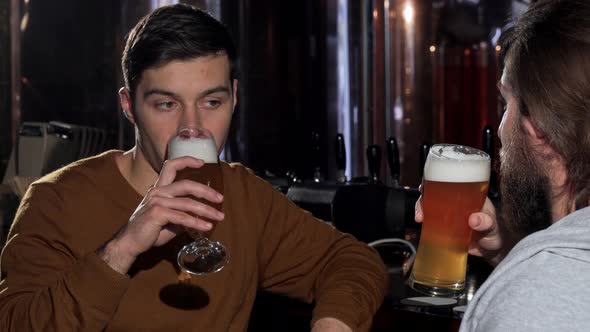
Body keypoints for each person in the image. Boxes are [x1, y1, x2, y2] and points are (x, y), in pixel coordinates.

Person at [0, 4, 388, 332]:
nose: (193, 128)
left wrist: (333, 324)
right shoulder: (56, 200)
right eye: (167, 104)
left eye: (211, 102)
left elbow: (352, 261)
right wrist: (124, 247)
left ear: (234, 98)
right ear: (129, 106)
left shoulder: (245, 196)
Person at [423, 0, 590, 331]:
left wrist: (531, 270)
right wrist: (508, 250)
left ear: (538, 129)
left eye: (505, 103)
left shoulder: (535, 303)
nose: (499, 127)